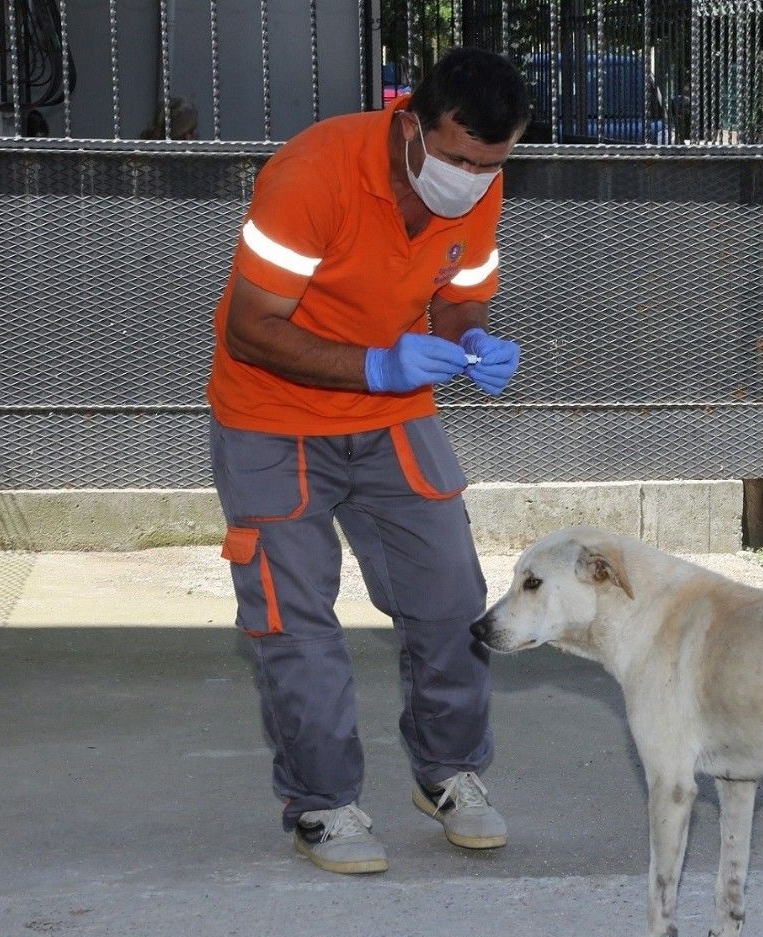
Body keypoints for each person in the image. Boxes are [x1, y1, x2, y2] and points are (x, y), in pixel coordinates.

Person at [206, 47, 532, 875]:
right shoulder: (312, 175)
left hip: (392, 416)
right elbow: (252, 328)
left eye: (492, 165)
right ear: (412, 126)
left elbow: (459, 298)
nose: (473, 180)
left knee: (450, 597)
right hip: (273, 418)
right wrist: (377, 365)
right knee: (296, 626)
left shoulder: (481, 186)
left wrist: (473, 341)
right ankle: (322, 806)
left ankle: (449, 773)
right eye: (459, 160)